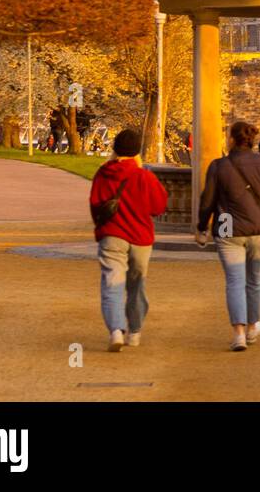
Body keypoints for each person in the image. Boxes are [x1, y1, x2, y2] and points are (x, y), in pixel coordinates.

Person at [196, 120, 260, 351]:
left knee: (235, 281)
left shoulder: (218, 166)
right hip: (258, 227)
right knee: (254, 280)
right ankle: (254, 324)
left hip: (227, 227)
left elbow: (208, 201)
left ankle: (239, 334)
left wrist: (202, 227)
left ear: (232, 140)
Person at [90, 128, 168, 352]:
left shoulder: (103, 174)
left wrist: (101, 227)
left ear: (115, 149)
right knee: (136, 285)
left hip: (112, 235)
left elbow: (95, 204)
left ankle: (116, 330)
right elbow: (158, 206)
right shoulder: (144, 176)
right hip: (140, 238)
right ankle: (134, 331)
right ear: (137, 151)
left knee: (112, 284)